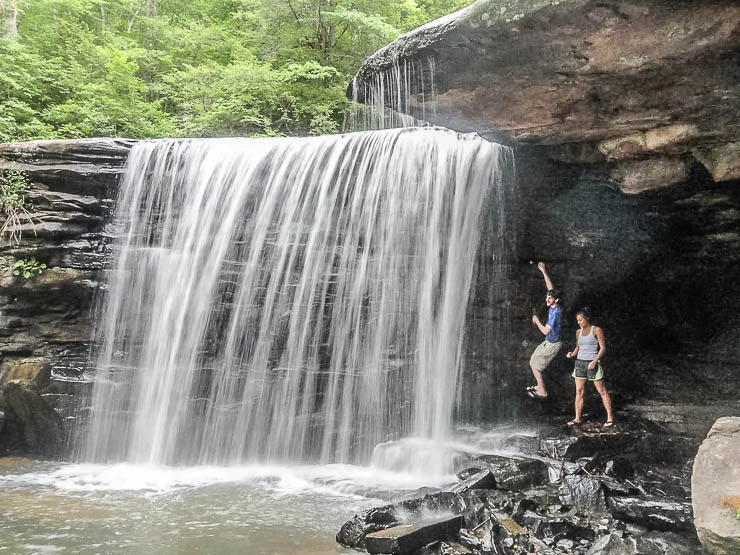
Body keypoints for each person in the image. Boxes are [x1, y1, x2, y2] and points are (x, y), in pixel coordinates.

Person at [565, 308, 614, 428]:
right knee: (579, 391)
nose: (579, 322)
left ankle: (610, 417)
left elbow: (603, 348)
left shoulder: (596, 330)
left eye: (581, 320)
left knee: (602, 391)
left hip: (592, 362)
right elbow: (578, 347)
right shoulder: (578, 332)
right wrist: (571, 354)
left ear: (586, 319)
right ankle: (577, 418)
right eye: (577, 320)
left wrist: (594, 361)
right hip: (580, 363)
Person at [526, 262, 562, 400]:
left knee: (535, 364)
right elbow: (550, 288)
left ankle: (542, 390)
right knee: (533, 361)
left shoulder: (555, 314)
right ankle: (539, 386)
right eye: (547, 296)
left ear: (556, 300)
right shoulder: (555, 305)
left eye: (550, 298)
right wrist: (544, 272)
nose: (547, 299)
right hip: (549, 342)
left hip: (552, 344)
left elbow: (546, 331)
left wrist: (536, 321)